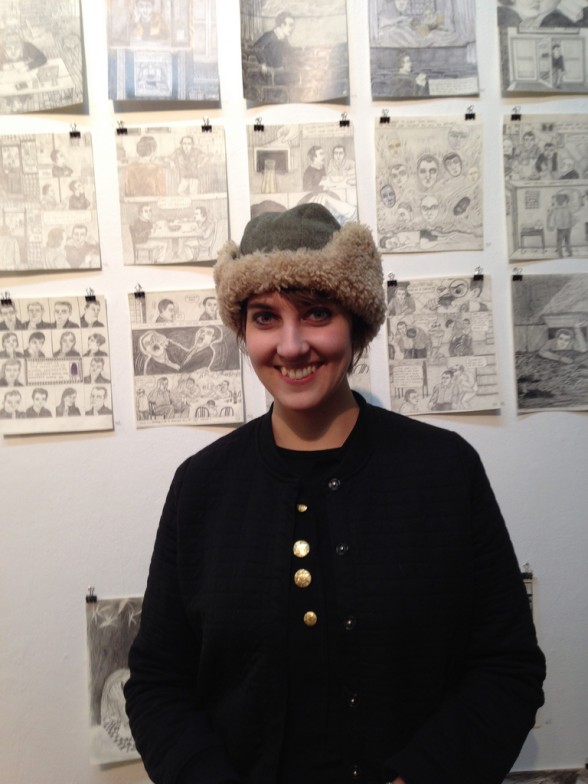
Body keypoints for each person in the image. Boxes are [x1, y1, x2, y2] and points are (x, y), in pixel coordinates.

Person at [125, 203, 545, 784]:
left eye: (317, 313)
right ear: (243, 331)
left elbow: (507, 666)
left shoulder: (444, 471)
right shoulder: (202, 487)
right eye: (265, 318)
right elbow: (157, 683)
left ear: (357, 321)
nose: (291, 346)